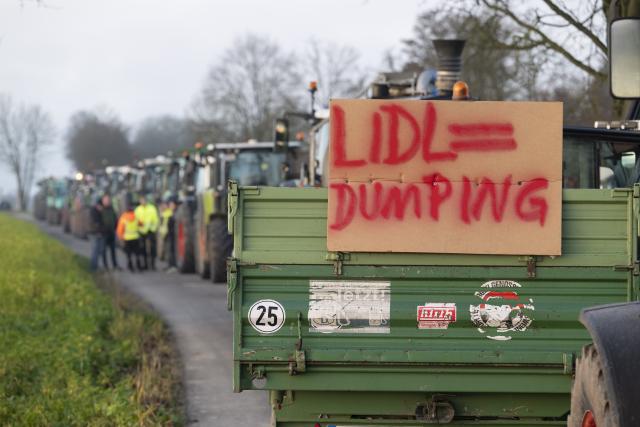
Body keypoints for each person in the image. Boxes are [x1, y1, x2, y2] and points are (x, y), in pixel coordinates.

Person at [116, 202, 144, 272]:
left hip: (127, 238)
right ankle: (139, 266)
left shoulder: (123, 217)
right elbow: (141, 224)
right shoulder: (135, 217)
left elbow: (120, 229)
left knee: (129, 254)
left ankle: (131, 266)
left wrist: (120, 237)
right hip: (135, 237)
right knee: (137, 253)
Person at [135, 195, 159, 270]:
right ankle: (145, 265)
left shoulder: (152, 208)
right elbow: (136, 220)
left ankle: (152, 265)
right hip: (142, 231)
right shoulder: (138, 209)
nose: (143, 202)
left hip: (151, 230)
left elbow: (156, 219)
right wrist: (138, 226)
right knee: (143, 249)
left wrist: (154, 228)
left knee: (152, 248)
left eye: (144, 200)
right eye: (141, 200)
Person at [100, 194, 120, 270]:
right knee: (104, 251)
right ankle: (105, 266)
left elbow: (115, 218)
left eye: (108, 200)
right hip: (104, 233)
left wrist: (115, 227)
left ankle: (115, 265)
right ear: (103, 201)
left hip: (111, 232)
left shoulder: (112, 209)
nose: (107, 201)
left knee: (113, 250)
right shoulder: (101, 210)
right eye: (105, 200)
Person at [159, 198, 177, 273]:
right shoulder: (165, 213)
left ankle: (173, 266)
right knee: (168, 251)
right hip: (166, 235)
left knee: (171, 251)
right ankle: (170, 265)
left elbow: (169, 225)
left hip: (170, 235)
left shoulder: (170, 213)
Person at [88, 196, 105, 271]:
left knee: (99, 250)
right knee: (95, 250)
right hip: (94, 234)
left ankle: (95, 266)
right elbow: (96, 223)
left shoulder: (98, 211)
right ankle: (93, 267)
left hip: (98, 233)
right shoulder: (93, 211)